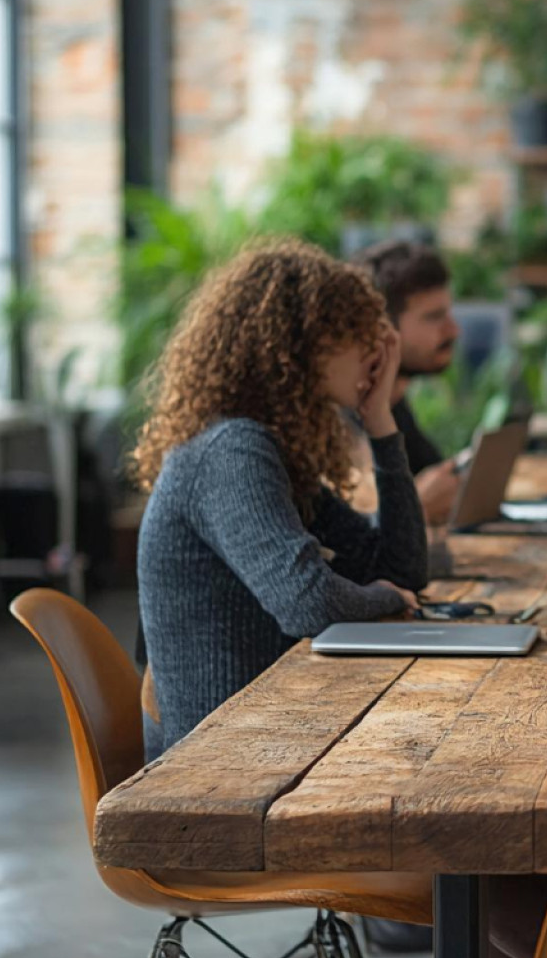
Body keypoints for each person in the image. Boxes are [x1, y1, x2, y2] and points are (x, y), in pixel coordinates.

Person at [131, 240, 427, 758]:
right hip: (219, 767)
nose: (374, 350)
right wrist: (385, 598)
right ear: (300, 345)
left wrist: (379, 419)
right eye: (354, 333)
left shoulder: (274, 452)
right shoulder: (232, 451)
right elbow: (306, 602)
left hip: (267, 737)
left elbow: (401, 566)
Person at [351, 239, 464, 524]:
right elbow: (356, 527)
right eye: (434, 317)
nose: (454, 330)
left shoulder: (394, 401)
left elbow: (433, 474)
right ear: (383, 328)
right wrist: (417, 506)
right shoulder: (341, 418)